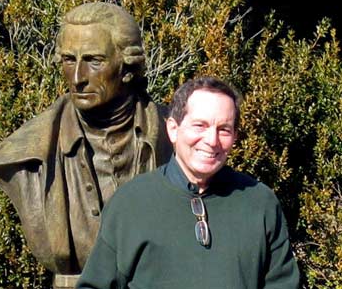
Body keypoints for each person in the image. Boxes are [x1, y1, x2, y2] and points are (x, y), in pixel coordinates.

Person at [0, 2, 172, 288]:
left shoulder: (179, 139)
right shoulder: (27, 157)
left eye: (94, 61)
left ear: (128, 66)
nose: (77, 78)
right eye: (69, 60)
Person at [76, 76, 300, 289]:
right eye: (200, 126)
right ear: (173, 129)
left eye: (224, 129)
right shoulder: (131, 204)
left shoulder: (259, 203)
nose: (212, 141)